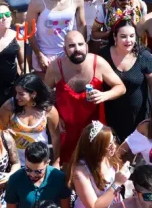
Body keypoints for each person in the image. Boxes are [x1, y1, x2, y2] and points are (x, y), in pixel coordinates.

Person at [44, 31, 126, 162]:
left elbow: (121, 87)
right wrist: (55, 116)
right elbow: (44, 96)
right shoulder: (55, 67)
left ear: (86, 47)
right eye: (71, 45)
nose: (77, 49)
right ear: (64, 49)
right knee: (68, 168)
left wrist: (105, 95)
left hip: (95, 127)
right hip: (67, 130)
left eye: (80, 44)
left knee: (96, 164)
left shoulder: (98, 63)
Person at [101, 19, 152, 141]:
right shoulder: (103, 56)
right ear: (114, 37)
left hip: (139, 115)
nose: (129, 40)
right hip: (111, 114)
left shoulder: (144, 56)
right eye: (123, 36)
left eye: (132, 36)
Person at [26, 0, 86, 73]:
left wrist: (82, 48)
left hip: (69, 52)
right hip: (45, 54)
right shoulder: (37, 1)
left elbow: (82, 25)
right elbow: (29, 30)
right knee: (46, 89)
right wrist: (39, 55)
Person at [66, 121, 129, 208]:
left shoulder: (110, 157)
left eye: (113, 140)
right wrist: (117, 183)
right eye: (108, 144)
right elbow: (94, 207)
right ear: (96, 148)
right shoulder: (81, 171)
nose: (114, 146)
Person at [0, 74, 61, 166]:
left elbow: (55, 137)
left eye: (21, 94)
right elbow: (0, 133)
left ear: (34, 94)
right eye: (16, 93)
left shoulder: (48, 110)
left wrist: (56, 161)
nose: (16, 97)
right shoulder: (8, 107)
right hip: (15, 162)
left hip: (40, 162)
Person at [5, 141, 70, 208]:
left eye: (38, 171)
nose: (33, 175)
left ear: (47, 163)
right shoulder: (14, 180)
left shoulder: (59, 178)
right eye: (28, 170)